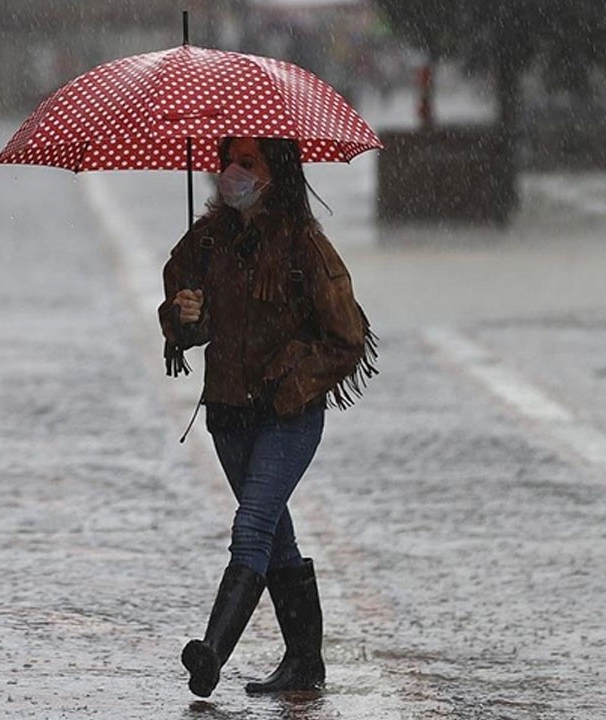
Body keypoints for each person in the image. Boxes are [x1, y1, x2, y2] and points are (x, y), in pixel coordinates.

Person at [161, 137, 377, 698]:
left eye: (247, 162)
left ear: (275, 174)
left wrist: (291, 372)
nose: (231, 172)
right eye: (227, 160)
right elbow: (188, 323)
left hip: (287, 418)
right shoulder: (205, 244)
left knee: (252, 526)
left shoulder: (306, 247)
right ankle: (305, 663)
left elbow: (348, 338)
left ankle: (210, 653)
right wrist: (184, 317)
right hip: (228, 417)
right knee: (274, 536)